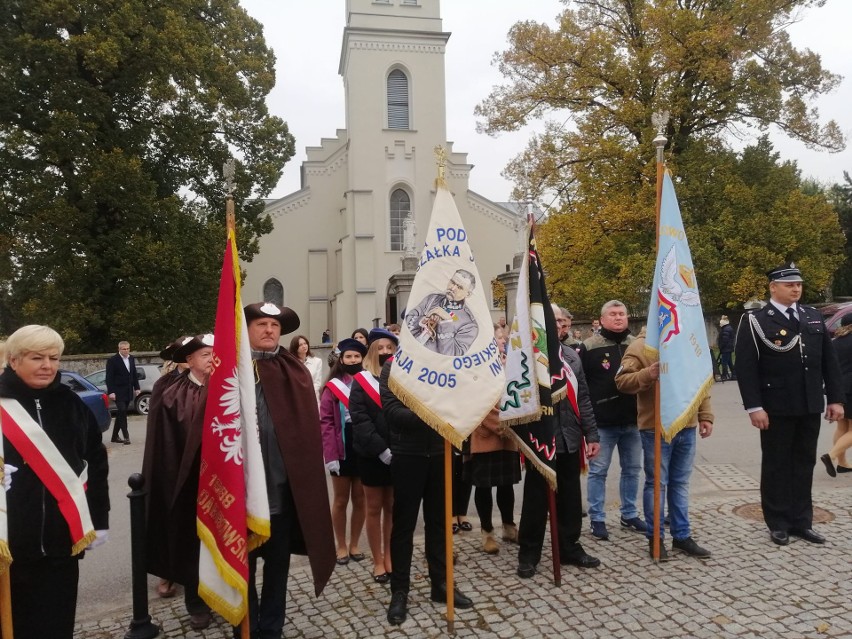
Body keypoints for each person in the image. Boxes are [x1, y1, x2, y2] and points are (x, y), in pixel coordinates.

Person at [1, 325, 110, 638]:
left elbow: (96, 463)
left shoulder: (71, 404)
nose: (47, 366)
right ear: (14, 360)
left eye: (54, 358)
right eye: (37, 358)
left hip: (63, 542)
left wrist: (99, 518)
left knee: (56, 623)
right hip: (10, 545)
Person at [241, 302, 335, 638]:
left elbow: (305, 433)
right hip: (241, 496)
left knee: (278, 567)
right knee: (243, 569)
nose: (269, 330)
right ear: (248, 328)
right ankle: (246, 626)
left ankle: (271, 628)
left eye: (275, 326)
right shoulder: (230, 371)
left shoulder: (294, 372)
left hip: (280, 494)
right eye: (262, 324)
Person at [735, 263, 844, 546]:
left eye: (798, 284)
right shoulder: (757, 320)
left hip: (808, 402)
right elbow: (746, 368)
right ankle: (778, 522)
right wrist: (754, 407)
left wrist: (835, 398)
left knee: (804, 462)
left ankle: (801, 521)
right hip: (776, 405)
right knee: (776, 464)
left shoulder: (812, 316)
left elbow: (828, 362)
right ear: (773, 287)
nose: (796, 289)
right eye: (789, 285)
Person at [382, 358, 474, 625]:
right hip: (407, 454)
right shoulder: (394, 368)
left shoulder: (443, 365)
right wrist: (434, 413)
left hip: (440, 453)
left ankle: (441, 584)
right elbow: (392, 412)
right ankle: (399, 591)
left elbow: (460, 401)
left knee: (440, 523)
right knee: (404, 527)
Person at [615, 334, 714, 560]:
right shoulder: (640, 346)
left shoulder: (687, 340)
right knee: (657, 483)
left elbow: (700, 380)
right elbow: (621, 381)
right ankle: (656, 538)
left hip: (686, 425)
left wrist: (705, 414)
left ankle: (681, 536)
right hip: (655, 426)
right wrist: (647, 375)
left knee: (680, 483)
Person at [142, 333, 215, 630]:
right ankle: (196, 602)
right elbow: (165, 441)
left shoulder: (230, 387)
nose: (212, 360)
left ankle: (227, 595)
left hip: (222, 481)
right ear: (190, 361)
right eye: (206, 355)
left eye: (215, 354)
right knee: (191, 543)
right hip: (187, 481)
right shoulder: (174, 391)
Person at [517, 338, 601, 578]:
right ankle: (528, 553)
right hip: (541, 439)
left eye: (562, 322)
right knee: (535, 500)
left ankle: (569, 547)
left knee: (571, 499)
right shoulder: (527, 355)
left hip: (569, 437)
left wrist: (591, 435)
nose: (559, 326)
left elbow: (583, 398)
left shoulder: (571, 357)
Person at [577, 300, 646, 540]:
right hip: (602, 422)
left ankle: (629, 513)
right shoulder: (589, 346)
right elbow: (581, 385)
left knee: (632, 470)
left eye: (622, 314)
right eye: (613, 314)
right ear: (602, 319)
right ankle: (597, 518)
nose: (618, 318)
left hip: (632, 419)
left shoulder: (636, 345)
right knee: (598, 471)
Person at [464, 324, 521, 554]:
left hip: (509, 437)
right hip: (485, 435)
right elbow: (476, 402)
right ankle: (487, 532)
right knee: (484, 487)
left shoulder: (511, 364)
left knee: (506, 485)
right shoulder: (475, 367)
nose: (500, 341)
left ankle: (509, 526)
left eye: (502, 338)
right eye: (496, 339)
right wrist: (504, 426)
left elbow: (518, 394)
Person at [350, 328, 398, 583]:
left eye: (389, 348)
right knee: (374, 507)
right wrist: (381, 449)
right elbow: (360, 419)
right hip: (371, 455)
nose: (385, 352)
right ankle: (378, 560)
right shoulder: (361, 381)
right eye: (380, 348)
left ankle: (390, 556)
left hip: (397, 453)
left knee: (392, 507)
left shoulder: (399, 378)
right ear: (371, 351)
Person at [148, 335, 191, 600]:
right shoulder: (165, 383)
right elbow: (158, 429)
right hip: (171, 459)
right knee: (171, 516)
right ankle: (168, 571)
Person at [320, 337, 367, 564]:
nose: (353, 360)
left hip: (364, 444)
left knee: (360, 498)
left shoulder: (370, 381)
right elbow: (326, 422)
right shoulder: (332, 387)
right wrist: (330, 456)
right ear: (341, 359)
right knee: (340, 500)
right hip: (341, 445)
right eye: (348, 356)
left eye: (357, 356)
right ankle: (340, 545)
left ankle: (355, 543)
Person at [406, 269, 480, 356]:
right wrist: (425, 320)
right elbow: (407, 320)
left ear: (468, 294)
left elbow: (451, 356)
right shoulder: (432, 299)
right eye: (452, 282)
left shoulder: (469, 324)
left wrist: (446, 322)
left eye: (459, 287)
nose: (452, 288)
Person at [822, 313, 852, 476]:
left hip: (838, 388)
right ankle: (831, 456)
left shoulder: (836, 342)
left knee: (843, 426)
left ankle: (843, 463)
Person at [105, 339, 140, 444]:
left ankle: (114, 437)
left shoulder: (131, 358)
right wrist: (111, 391)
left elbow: (133, 374)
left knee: (121, 412)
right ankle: (126, 437)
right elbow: (109, 377)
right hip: (117, 391)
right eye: (123, 349)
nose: (126, 351)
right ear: (119, 349)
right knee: (123, 411)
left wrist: (137, 388)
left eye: (128, 349)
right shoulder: (113, 360)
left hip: (128, 390)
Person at [289, 334, 324, 401]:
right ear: (295, 348)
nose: (304, 346)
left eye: (305, 343)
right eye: (300, 345)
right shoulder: (291, 364)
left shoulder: (317, 361)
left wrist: (306, 392)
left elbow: (317, 382)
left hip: (312, 397)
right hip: (296, 398)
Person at [717, 316, 736, 381]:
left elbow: (724, 340)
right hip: (728, 348)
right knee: (729, 362)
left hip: (726, 349)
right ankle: (734, 374)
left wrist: (721, 347)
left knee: (724, 362)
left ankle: (724, 375)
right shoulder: (728, 328)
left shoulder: (725, 329)